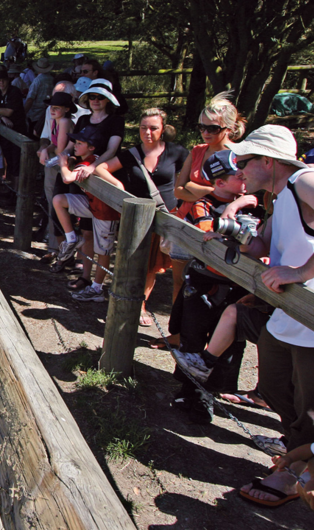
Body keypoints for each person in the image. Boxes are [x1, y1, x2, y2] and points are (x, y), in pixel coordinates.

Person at [231, 125, 314, 507]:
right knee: (276, 388)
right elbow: (266, 244)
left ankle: (294, 476)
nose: (238, 171)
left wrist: (299, 273)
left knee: (308, 406)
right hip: (288, 316)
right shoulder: (279, 198)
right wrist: (235, 238)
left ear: (268, 160)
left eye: (244, 161)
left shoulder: (305, 181)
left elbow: (293, 262)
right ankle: (295, 459)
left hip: (310, 319)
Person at [166, 150, 261, 424]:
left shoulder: (254, 204)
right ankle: (188, 390)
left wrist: (241, 204)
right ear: (219, 182)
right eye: (237, 176)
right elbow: (209, 237)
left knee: (228, 346)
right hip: (204, 281)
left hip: (237, 285)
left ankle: (209, 394)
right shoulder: (203, 204)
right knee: (193, 338)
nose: (244, 179)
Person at [158, 92, 248, 349]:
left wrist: (198, 190)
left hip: (218, 229)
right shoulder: (197, 151)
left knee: (214, 286)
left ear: (229, 128)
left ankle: (209, 341)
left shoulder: (238, 157)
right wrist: (211, 191)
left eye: (212, 128)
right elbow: (178, 189)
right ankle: (176, 334)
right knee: (180, 281)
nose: (205, 133)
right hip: (187, 223)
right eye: (201, 127)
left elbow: (238, 193)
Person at [93, 108, 188, 326]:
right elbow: (102, 168)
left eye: (153, 128)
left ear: (163, 129)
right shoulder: (132, 154)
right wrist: (118, 184)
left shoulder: (177, 153)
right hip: (138, 218)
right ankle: (131, 304)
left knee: (153, 266)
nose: (148, 132)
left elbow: (186, 178)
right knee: (134, 260)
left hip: (166, 217)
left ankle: (143, 304)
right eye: (143, 128)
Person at [49, 128, 122, 302]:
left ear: (91, 148)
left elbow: (67, 178)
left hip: (105, 213)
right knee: (58, 200)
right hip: (92, 206)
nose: (75, 146)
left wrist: (63, 162)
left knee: (103, 251)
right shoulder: (86, 160)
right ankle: (71, 237)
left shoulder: (89, 163)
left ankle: (97, 288)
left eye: (80, 143)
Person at [38, 82, 90, 262]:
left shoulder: (65, 122)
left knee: (58, 207)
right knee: (55, 207)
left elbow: (61, 148)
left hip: (63, 168)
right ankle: (60, 249)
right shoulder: (56, 120)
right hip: (58, 164)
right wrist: (46, 149)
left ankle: (64, 250)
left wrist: (51, 153)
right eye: (52, 107)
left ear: (67, 109)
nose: (52, 110)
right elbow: (54, 144)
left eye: (57, 107)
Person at [24, 58, 55, 136]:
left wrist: (24, 112)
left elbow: (30, 99)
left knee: (32, 136)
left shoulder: (37, 81)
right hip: (48, 112)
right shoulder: (52, 79)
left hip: (35, 114)